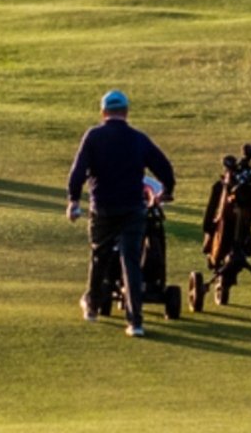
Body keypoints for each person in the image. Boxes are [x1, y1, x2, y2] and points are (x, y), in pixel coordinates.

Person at [66, 90, 175, 338]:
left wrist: (73, 200)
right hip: (133, 209)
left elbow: (78, 172)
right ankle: (135, 322)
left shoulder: (93, 137)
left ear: (103, 113)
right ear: (126, 112)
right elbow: (163, 166)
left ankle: (93, 307)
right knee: (131, 262)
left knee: (99, 257)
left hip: (103, 208)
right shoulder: (137, 138)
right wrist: (167, 190)